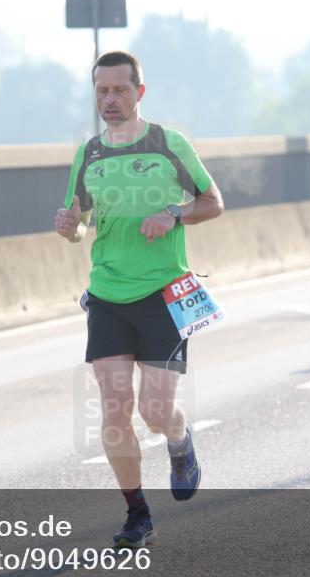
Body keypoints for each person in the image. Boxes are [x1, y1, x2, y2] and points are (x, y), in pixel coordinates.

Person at [54, 51, 224, 548]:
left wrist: (174, 212)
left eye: (119, 90)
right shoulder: (89, 154)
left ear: (139, 93)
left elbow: (213, 202)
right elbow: (79, 222)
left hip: (162, 292)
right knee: (113, 408)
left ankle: (179, 439)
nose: (110, 99)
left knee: (155, 409)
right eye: (102, 91)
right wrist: (69, 227)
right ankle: (137, 514)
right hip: (107, 293)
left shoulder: (169, 144)